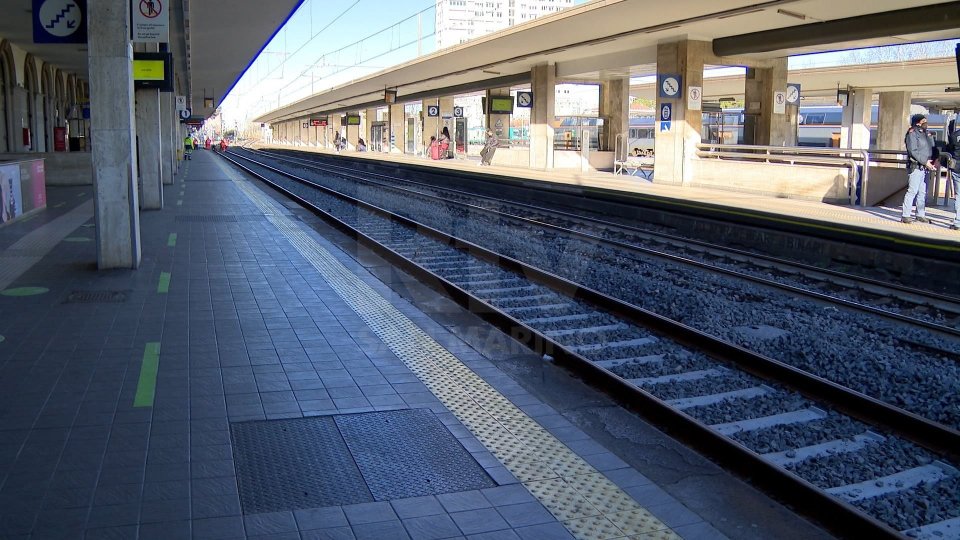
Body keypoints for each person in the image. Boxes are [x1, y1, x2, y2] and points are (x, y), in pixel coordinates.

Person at [902, 113, 936, 224]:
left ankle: (920, 214)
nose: (925, 123)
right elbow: (913, 151)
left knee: (922, 192)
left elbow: (932, 148)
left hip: (926, 167)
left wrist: (933, 160)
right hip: (916, 166)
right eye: (923, 121)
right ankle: (905, 215)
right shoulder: (912, 133)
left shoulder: (927, 133)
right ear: (917, 122)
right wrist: (925, 161)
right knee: (912, 191)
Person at [948, 119, 960, 231]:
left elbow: (950, 150)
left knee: (958, 196)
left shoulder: (954, 136)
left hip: (957, 168)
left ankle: (957, 223)